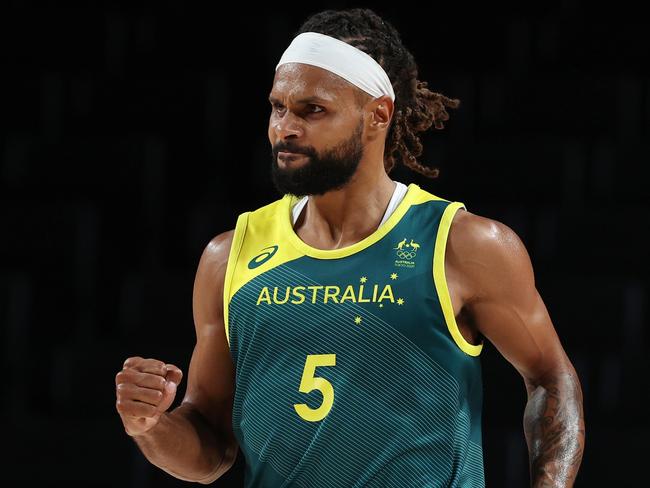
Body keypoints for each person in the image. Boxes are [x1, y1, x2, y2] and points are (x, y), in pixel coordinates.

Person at [115, 8, 585, 487]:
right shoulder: (229, 256)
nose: (284, 128)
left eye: (311, 110)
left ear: (378, 113)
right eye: (278, 107)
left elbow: (551, 379)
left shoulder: (462, 245)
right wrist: (151, 426)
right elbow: (211, 451)